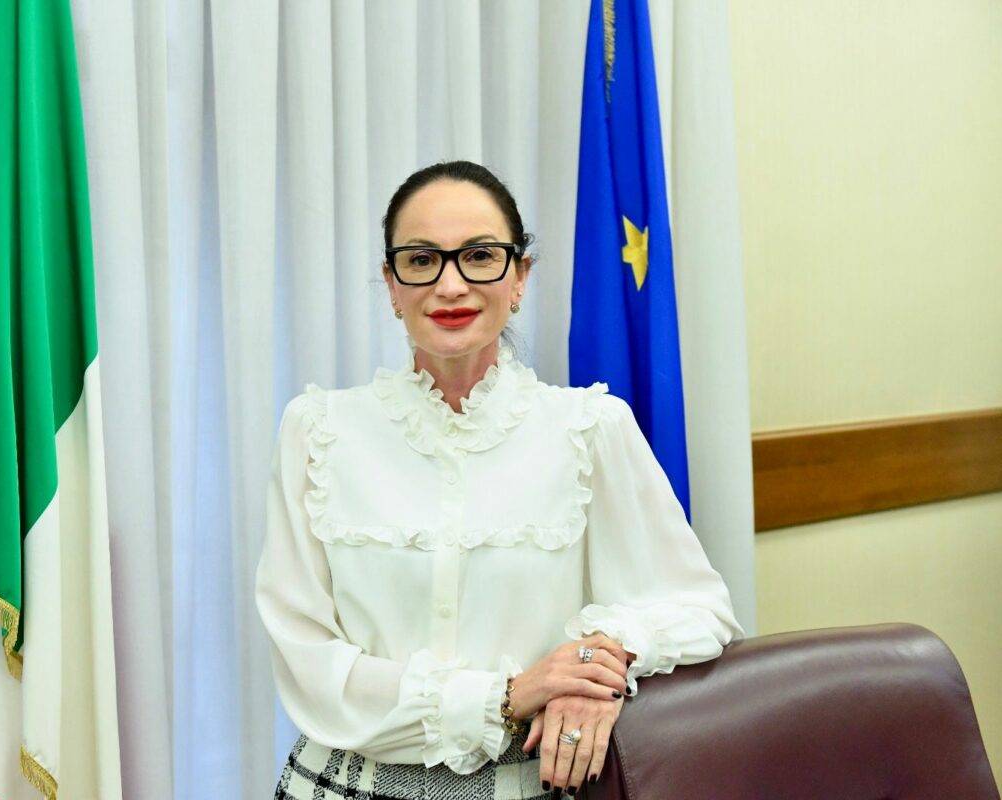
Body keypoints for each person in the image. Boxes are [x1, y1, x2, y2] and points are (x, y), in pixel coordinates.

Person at [255, 160, 744, 799]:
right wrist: (504, 696)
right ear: (392, 284)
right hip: (338, 786)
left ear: (519, 277)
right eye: (421, 259)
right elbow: (306, 660)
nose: (450, 285)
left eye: (480, 256)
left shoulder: (590, 428)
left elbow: (701, 609)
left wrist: (597, 660)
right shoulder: (317, 429)